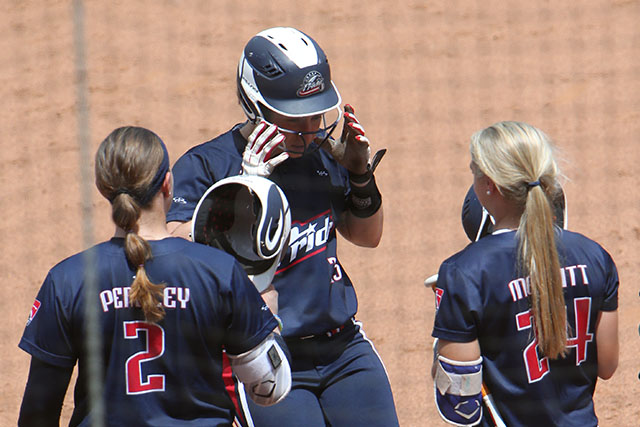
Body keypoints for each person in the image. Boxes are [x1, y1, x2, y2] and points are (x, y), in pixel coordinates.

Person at [167, 27, 399, 426]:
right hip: (264, 352)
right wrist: (245, 189)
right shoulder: (207, 165)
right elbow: (172, 250)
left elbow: (367, 235)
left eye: (314, 114)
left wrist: (360, 175)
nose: (310, 129)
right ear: (256, 104)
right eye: (294, 117)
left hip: (344, 349)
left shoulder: (320, 156)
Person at [18, 126, 291, 426]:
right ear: (167, 184)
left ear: (102, 188)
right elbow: (269, 388)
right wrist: (271, 318)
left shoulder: (68, 280)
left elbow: (38, 412)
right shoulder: (218, 271)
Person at [431, 121, 619, 426]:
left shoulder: (464, 273)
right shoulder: (596, 257)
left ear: (489, 184)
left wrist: (444, 338)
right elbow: (607, 365)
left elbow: (460, 402)